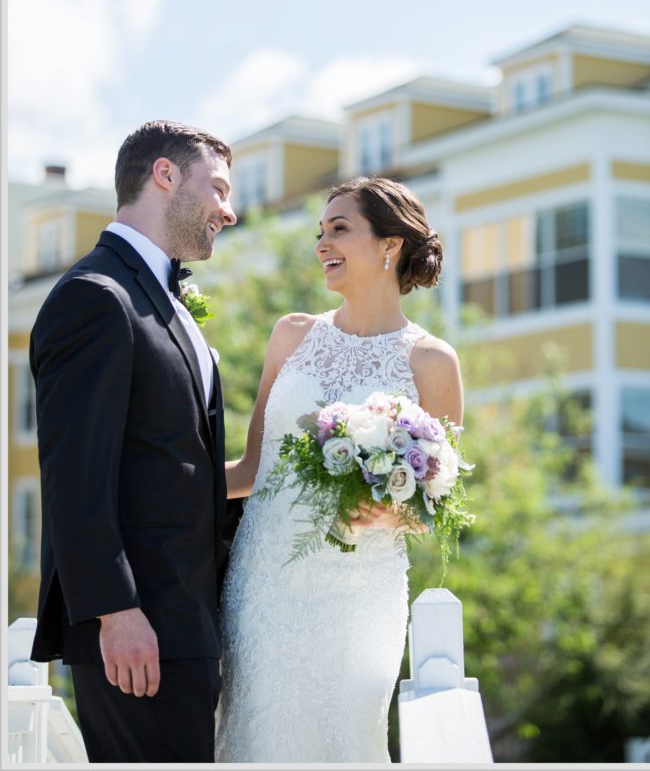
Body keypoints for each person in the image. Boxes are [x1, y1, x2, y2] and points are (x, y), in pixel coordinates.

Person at [216, 175, 464, 763]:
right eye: (320, 232)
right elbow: (253, 466)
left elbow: (436, 506)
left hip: (358, 598)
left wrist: (392, 510)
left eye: (339, 229)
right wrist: (152, 486)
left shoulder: (432, 361)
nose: (322, 243)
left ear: (390, 245)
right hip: (263, 586)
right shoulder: (291, 335)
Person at [30, 120, 239, 762]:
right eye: (220, 189)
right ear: (165, 175)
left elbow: (179, 467)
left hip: (184, 623)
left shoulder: (163, 298)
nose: (228, 212)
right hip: (138, 633)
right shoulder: (97, 298)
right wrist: (115, 613)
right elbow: (75, 479)